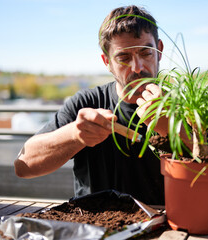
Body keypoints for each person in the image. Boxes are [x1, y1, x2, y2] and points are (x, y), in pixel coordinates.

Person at [14, 5, 166, 205]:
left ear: (159, 51)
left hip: (166, 227)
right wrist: (74, 135)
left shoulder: (188, 106)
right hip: (93, 226)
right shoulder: (86, 103)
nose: (137, 68)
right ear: (107, 62)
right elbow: (23, 166)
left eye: (146, 53)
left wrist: (173, 129)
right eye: (123, 57)